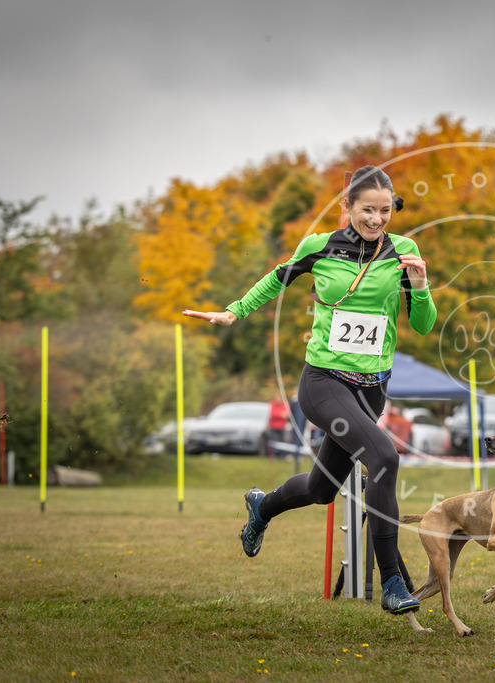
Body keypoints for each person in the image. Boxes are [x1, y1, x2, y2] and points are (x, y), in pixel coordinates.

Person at [182, 166, 435, 615]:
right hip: (323, 383)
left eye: (384, 211)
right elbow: (276, 279)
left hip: (371, 390)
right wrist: (232, 312)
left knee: (322, 489)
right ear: (347, 207)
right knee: (383, 457)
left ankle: (262, 508)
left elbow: (422, 324)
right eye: (367, 210)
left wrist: (420, 285)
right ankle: (393, 582)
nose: (376, 220)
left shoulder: (405, 251)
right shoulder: (320, 246)